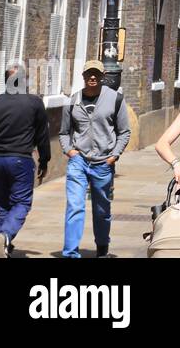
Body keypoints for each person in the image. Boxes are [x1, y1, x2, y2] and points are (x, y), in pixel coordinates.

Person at [59, 60, 130, 258]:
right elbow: (64, 132)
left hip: (103, 162)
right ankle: (70, 253)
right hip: (78, 160)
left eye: (96, 74)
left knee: (101, 209)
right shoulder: (73, 101)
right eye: (89, 74)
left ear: (102, 76)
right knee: (74, 206)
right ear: (83, 76)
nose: (92, 77)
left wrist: (114, 155)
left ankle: (102, 247)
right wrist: (69, 151)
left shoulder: (115, 99)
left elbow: (124, 131)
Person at [0, 66, 50, 257]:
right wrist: (44, 160)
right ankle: (5, 235)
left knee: (2, 204)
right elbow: (43, 135)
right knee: (22, 203)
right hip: (20, 159)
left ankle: (3, 246)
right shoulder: (34, 103)